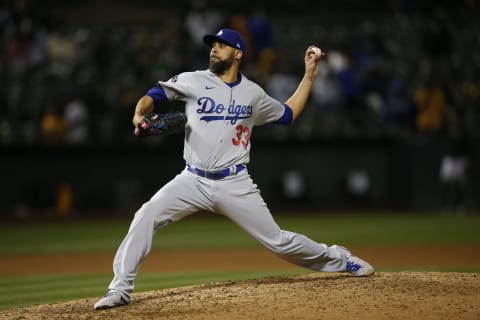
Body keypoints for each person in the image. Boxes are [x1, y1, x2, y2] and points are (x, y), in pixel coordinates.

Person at [94, 28, 374, 310]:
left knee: (277, 241)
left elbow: (287, 114)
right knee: (146, 214)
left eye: (222, 45)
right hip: (193, 180)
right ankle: (119, 289)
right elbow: (155, 94)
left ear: (238, 53)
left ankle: (340, 258)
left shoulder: (252, 93)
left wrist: (310, 76)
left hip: (234, 182)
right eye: (212, 45)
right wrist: (139, 114)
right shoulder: (193, 80)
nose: (214, 49)